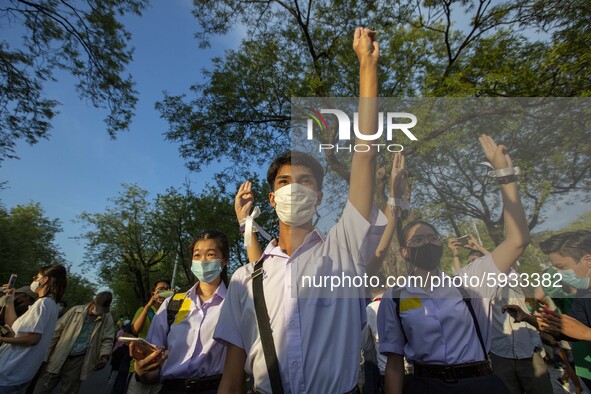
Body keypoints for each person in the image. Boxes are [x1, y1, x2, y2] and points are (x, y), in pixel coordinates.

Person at [214, 28, 387, 394]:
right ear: (272, 199)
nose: (295, 187)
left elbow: (365, 154)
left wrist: (367, 67)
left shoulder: (344, 250)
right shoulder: (245, 279)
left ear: (321, 196)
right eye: (284, 182)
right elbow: (231, 379)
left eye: (306, 181)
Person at [377, 134, 530, 393]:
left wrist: (505, 175)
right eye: (418, 240)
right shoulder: (395, 298)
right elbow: (394, 363)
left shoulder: (470, 282)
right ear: (404, 251)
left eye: (432, 237)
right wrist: (394, 200)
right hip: (425, 386)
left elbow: (517, 240)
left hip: (480, 384)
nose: (428, 243)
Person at [131, 230, 229, 394]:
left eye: (211, 254)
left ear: (224, 260)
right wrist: (143, 369)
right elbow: (152, 362)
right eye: (197, 255)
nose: (203, 261)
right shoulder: (172, 303)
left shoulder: (234, 304)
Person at [511, 230, 591, 391]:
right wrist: (530, 319)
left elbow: (582, 332)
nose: (559, 274)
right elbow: (567, 330)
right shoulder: (583, 293)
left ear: (587, 260)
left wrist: (586, 334)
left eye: (562, 267)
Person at [0, 265, 67, 394]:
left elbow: (33, 339)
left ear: (45, 279)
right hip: (21, 373)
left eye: (36, 277)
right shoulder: (52, 304)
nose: (34, 280)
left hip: (10, 371)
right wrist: (9, 299)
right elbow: (14, 325)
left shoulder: (43, 304)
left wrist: (3, 339)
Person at [33, 291, 115, 394]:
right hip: (59, 354)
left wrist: (104, 355)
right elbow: (56, 333)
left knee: (70, 390)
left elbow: (107, 338)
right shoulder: (76, 311)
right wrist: (45, 355)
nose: (99, 312)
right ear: (93, 302)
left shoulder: (107, 318)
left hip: (78, 360)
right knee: (43, 387)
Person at [125, 280, 171, 394]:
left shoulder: (172, 312)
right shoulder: (145, 310)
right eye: (161, 289)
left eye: (167, 289)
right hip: (141, 364)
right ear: (153, 293)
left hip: (162, 366)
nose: (164, 291)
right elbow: (135, 329)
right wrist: (149, 305)